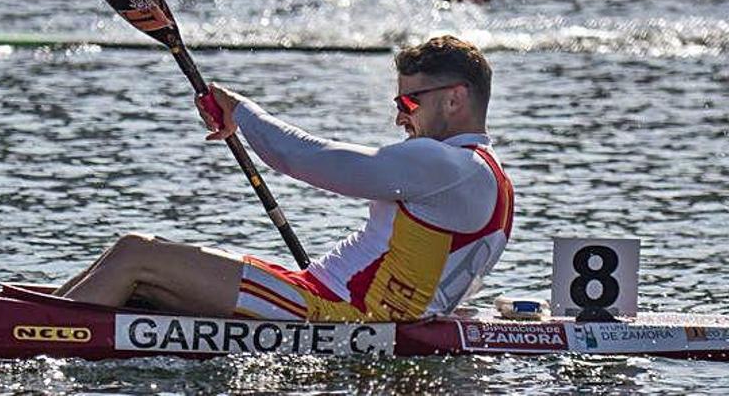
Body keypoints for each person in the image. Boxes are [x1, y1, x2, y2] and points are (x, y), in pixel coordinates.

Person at [53, 35, 514, 322]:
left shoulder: (448, 166)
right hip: (324, 297)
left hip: (335, 315)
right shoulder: (489, 177)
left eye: (408, 103)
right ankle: (38, 315)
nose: (400, 118)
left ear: (454, 99)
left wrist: (242, 111)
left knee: (136, 255)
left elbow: (304, 158)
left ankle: (35, 337)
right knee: (132, 264)